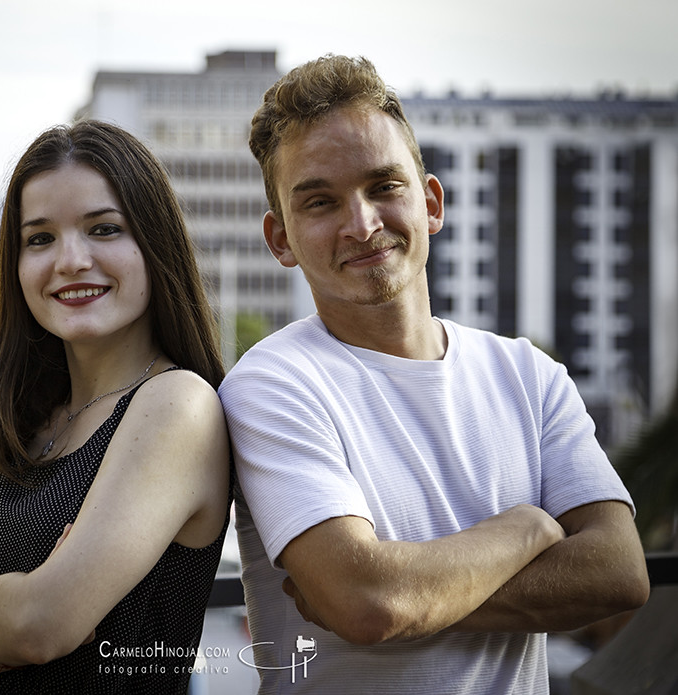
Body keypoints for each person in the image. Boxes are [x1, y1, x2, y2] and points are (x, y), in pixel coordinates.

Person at [217, 55, 650, 694]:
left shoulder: (529, 375)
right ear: (280, 240)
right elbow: (368, 602)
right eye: (320, 201)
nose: (362, 224)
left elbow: (619, 573)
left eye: (384, 186)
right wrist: (525, 528)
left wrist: (408, 597)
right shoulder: (272, 385)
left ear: (431, 202)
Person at [0, 120, 231, 694]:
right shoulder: (5, 412)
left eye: (104, 229)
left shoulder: (178, 404)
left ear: (153, 243)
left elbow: (39, 627)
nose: (71, 261)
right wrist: (8, 620)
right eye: (39, 238)